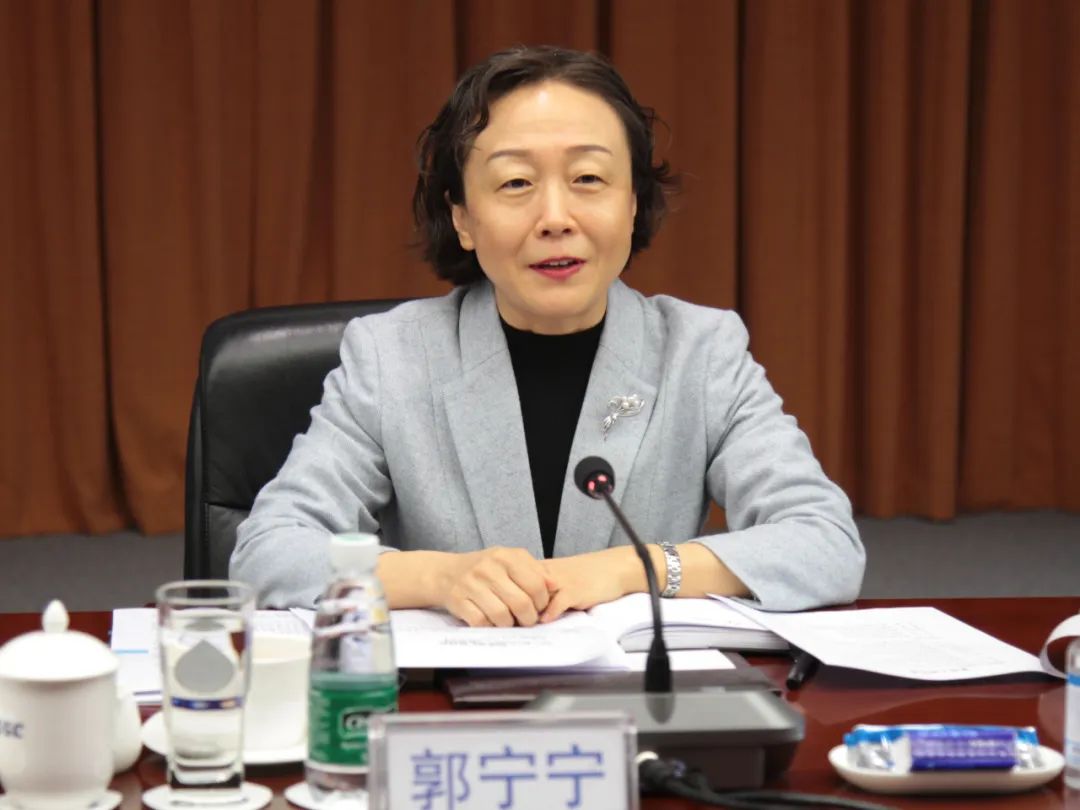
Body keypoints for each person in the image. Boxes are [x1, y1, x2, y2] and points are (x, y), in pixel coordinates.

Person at [230, 45, 864, 624]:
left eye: (588, 179)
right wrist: (438, 577)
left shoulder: (701, 352)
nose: (555, 218)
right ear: (463, 218)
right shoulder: (391, 357)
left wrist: (631, 569)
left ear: (633, 202)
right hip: (450, 699)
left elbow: (825, 544)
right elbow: (267, 552)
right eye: (516, 184)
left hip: (635, 699)